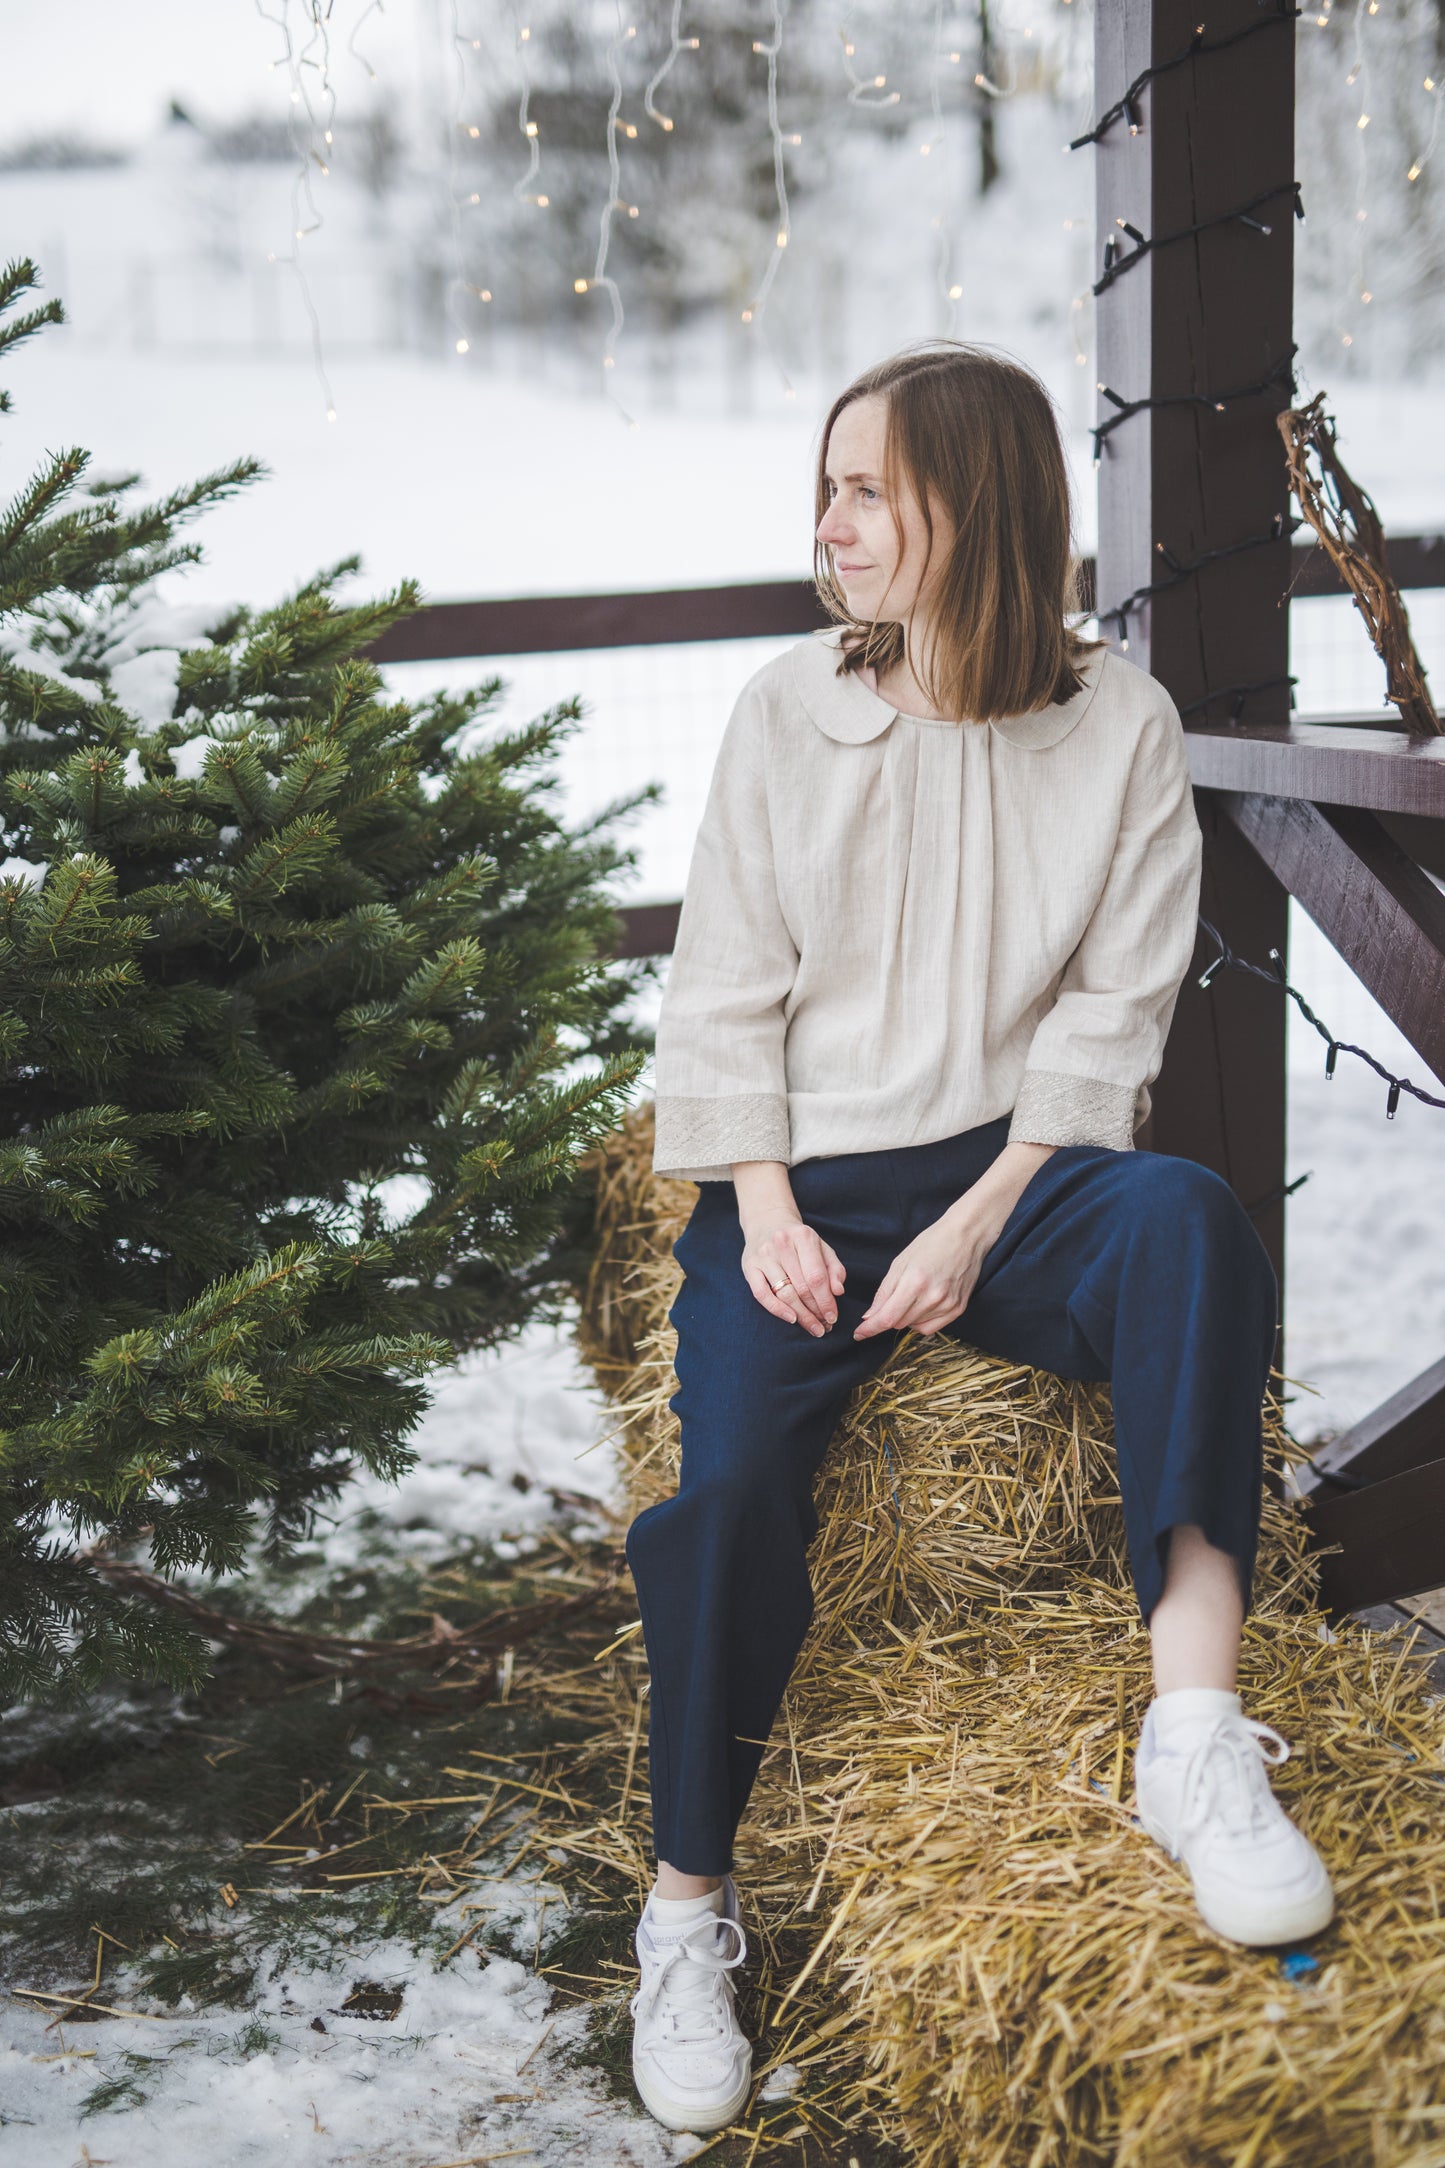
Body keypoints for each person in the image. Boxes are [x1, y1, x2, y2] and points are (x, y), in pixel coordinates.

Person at [624, 342, 1334, 2138]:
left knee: (1183, 1221)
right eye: (828, 484)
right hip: (804, 1181)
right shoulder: (790, 712)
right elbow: (720, 1001)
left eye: (871, 488)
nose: (831, 523)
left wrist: (985, 1214)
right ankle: (684, 1911)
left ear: (979, 506)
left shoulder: (1121, 724)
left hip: (1016, 1173)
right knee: (719, 1506)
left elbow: (1113, 1014)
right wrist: (764, 1210)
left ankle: (1189, 1732)